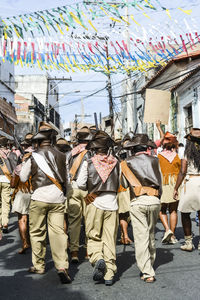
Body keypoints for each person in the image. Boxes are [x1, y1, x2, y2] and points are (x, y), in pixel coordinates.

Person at [20, 122, 71, 284]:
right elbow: (67, 180)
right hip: (58, 198)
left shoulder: (33, 156)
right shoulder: (63, 155)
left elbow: (22, 178)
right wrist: (65, 195)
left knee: (36, 232)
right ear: (52, 140)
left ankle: (39, 265)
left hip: (39, 197)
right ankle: (62, 266)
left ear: (38, 141)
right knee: (58, 233)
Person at [77, 131, 120, 286]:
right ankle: (109, 274)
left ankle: (97, 258)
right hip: (112, 203)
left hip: (94, 203)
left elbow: (81, 184)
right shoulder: (117, 162)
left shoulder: (88, 162)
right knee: (109, 239)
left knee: (93, 235)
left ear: (94, 148)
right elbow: (122, 183)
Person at [121, 134, 162, 283]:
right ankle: (149, 262)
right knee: (150, 233)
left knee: (140, 236)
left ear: (132, 149)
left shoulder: (127, 162)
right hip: (154, 199)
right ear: (147, 147)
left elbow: (125, 184)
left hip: (138, 201)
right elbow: (161, 182)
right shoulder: (155, 160)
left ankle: (147, 271)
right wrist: (158, 198)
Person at [67, 126, 93, 263]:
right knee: (88, 220)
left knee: (74, 222)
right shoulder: (90, 153)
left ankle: (74, 252)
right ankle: (88, 251)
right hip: (86, 189)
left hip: (72, 187)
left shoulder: (70, 153)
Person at [174, 128, 200, 252]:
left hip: (190, 183)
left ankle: (189, 242)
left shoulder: (186, 152)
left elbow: (182, 172)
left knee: (185, 213)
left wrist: (175, 188)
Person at [11, 133, 34, 254]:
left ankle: (25, 242)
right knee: (36, 221)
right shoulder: (39, 157)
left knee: (22, 219)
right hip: (36, 192)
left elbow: (13, 184)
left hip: (22, 192)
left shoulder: (21, 161)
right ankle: (35, 244)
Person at [158, 132, 181, 244]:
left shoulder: (159, 156)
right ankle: (173, 235)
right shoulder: (178, 156)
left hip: (163, 183)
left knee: (162, 210)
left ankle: (167, 229)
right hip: (175, 184)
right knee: (173, 210)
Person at [0, 136, 18, 237]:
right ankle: (5, 223)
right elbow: (15, 169)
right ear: (7, 144)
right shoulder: (12, 154)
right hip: (7, 180)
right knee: (6, 203)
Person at [55, 138, 71, 235]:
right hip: (68, 187)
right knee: (68, 215)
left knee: (62, 216)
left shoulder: (54, 157)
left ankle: (64, 237)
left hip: (57, 187)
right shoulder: (69, 156)